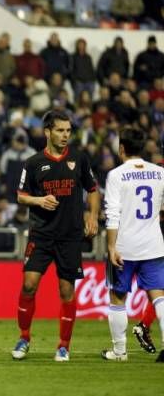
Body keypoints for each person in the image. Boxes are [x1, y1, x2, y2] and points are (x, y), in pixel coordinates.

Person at [11, 110, 99, 362]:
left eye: (68, 131)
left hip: (70, 237)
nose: (65, 135)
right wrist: (39, 200)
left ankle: (63, 345)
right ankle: (24, 337)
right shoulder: (34, 162)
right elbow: (20, 195)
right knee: (28, 285)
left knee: (66, 291)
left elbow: (92, 189)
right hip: (41, 235)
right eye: (60, 130)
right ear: (47, 132)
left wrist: (92, 215)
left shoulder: (79, 159)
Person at [102, 128, 164, 363]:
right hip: (154, 245)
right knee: (159, 297)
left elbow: (113, 215)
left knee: (117, 298)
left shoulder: (116, 175)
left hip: (124, 247)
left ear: (121, 149)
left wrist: (110, 247)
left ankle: (119, 352)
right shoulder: (160, 173)